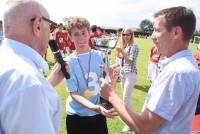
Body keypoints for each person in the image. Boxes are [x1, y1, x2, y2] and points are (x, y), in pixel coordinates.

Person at [100, 6, 200, 134]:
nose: (152, 36)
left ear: (176, 32)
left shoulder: (176, 72)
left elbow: (144, 128)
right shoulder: (186, 64)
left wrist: (111, 95)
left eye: (157, 30)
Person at [0, 0, 68, 134]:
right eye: (50, 26)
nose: (50, 31)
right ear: (38, 25)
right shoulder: (27, 80)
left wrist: (48, 83)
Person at [64, 16, 115, 134]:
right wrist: (94, 107)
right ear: (70, 37)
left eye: (83, 33)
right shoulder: (68, 62)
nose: (81, 38)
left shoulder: (101, 55)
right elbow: (74, 94)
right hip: (76, 116)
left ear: (89, 34)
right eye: (76, 34)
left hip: (98, 113)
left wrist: (112, 76)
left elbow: (108, 85)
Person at [115, 28, 139, 132]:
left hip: (131, 74)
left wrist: (122, 51)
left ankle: (133, 122)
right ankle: (130, 122)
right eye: (124, 34)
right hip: (123, 73)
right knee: (125, 99)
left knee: (125, 99)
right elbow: (121, 61)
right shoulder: (125, 46)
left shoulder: (134, 46)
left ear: (132, 35)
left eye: (128, 34)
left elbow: (130, 61)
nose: (125, 36)